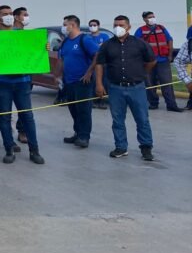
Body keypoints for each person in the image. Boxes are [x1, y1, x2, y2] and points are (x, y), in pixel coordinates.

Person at [0, 5, 45, 165]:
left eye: (11, 13)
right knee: (5, 116)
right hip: (2, 83)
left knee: (27, 116)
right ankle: (9, 149)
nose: (9, 16)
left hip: (22, 82)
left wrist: (43, 48)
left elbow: (34, 54)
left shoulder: (23, 35)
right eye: (5, 14)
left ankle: (34, 150)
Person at [96, 15, 157, 161]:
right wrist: (99, 84)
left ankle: (146, 147)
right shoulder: (107, 45)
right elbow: (99, 64)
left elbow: (151, 61)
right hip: (115, 88)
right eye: (115, 24)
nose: (118, 27)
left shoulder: (139, 43)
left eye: (121, 25)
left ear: (128, 27)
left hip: (137, 87)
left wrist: (142, 74)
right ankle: (121, 147)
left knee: (142, 119)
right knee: (117, 120)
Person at [57, 15, 100, 149]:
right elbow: (62, 59)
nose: (63, 27)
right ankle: (78, 132)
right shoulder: (65, 42)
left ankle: (84, 136)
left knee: (83, 110)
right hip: (69, 81)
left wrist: (89, 72)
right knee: (73, 109)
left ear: (73, 25)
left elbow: (97, 55)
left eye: (65, 24)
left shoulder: (85, 39)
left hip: (82, 81)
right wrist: (57, 75)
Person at [135, 11, 181, 112]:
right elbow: (136, 45)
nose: (152, 19)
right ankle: (153, 103)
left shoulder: (162, 28)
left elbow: (170, 40)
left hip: (163, 60)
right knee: (150, 83)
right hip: (148, 62)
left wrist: (170, 55)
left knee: (167, 83)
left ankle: (171, 105)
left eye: (153, 16)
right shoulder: (140, 30)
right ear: (144, 19)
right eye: (149, 17)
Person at [86, 19, 111, 109]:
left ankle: (101, 101)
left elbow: (106, 47)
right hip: (91, 64)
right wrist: (98, 46)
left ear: (98, 26)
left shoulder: (104, 36)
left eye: (94, 25)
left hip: (102, 63)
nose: (93, 27)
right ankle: (93, 101)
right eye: (91, 25)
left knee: (102, 82)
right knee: (93, 82)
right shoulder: (87, 38)